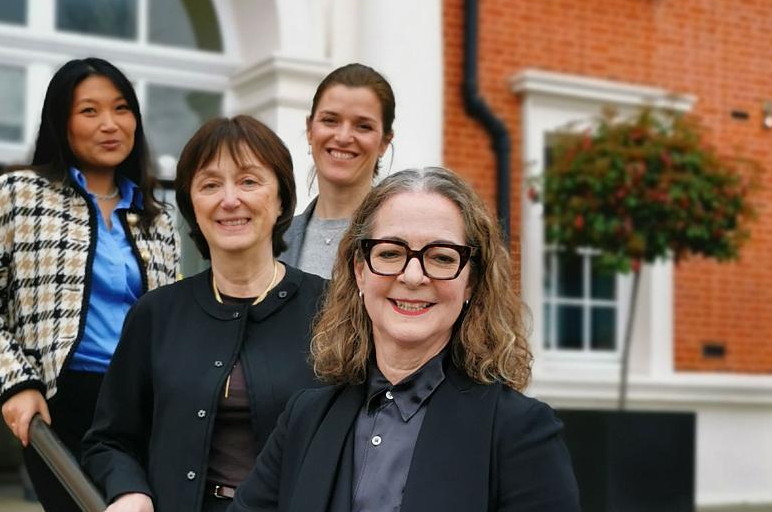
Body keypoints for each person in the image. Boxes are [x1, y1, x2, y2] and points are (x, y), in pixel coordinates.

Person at [234, 167, 580, 512]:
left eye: (442, 257)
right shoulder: (303, 419)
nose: (413, 276)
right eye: (390, 253)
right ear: (359, 270)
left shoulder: (520, 432)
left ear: (470, 282)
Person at [0, 57, 181, 512]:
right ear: (61, 121)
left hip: (146, 404)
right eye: (89, 111)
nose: (110, 124)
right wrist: (16, 384)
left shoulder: (158, 218)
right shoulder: (9, 196)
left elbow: (170, 318)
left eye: (121, 109)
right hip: (62, 403)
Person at [82, 115, 327, 512]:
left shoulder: (332, 310)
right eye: (211, 185)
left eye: (249, 181)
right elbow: (109, 440)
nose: (230, 200)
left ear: (281, 197)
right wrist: (130, 491)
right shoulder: (155, 314)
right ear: (192, 206)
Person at [283, 64, 395, 278]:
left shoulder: (399, 238)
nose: (343, 137)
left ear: (384, 142)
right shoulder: (273, 241)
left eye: (363, 126)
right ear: (309, 129)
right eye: (330, 121)